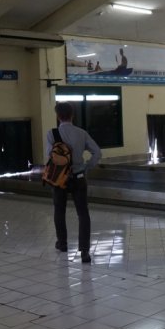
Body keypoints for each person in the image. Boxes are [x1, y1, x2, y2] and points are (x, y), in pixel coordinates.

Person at [45, 102, 102, 262]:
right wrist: (87, 166)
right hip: (78, 177)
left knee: (59, 211)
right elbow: (97, 152)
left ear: (58, 116)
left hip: (59, 179)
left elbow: (49, 155)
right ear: (72, 115)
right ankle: (84, 251)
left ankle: (62, 243)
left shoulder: (52, 134)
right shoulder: (81, 133)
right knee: (83, 213)